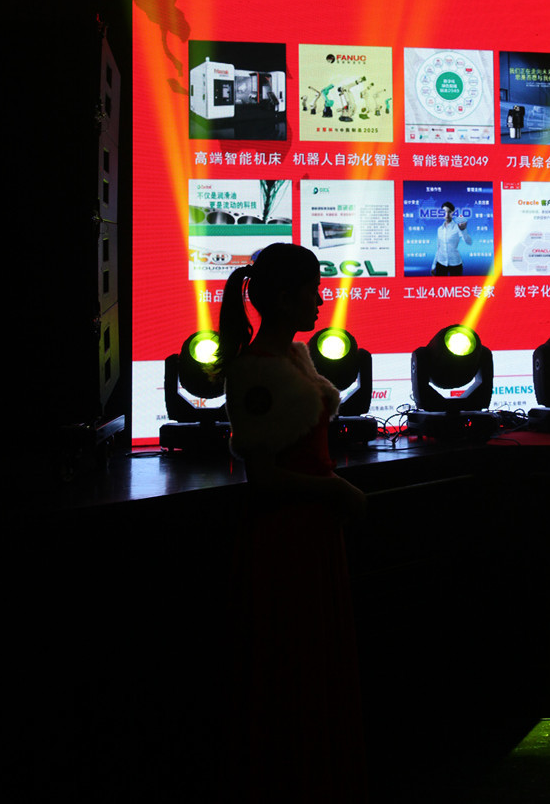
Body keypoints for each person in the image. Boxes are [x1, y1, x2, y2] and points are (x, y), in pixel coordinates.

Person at [218, 244, 367, 804]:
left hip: (312, 534)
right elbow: (263, 476)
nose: (320, 301)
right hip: (287, 542)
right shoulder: (256, 371)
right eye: (312, 291)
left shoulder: (292, 359)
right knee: (296, 667)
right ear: (284, 299)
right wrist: (334, 489)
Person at [433, 201, 471, 276]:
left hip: (455, 264)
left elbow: (468, 242)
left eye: (449, 212)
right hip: (441, 263)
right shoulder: (439, 229)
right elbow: (438, 248)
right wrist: (433, 265)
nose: (447, 214)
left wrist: (463, 230)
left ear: (453, 212)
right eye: (444, 212)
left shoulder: (458, 227)